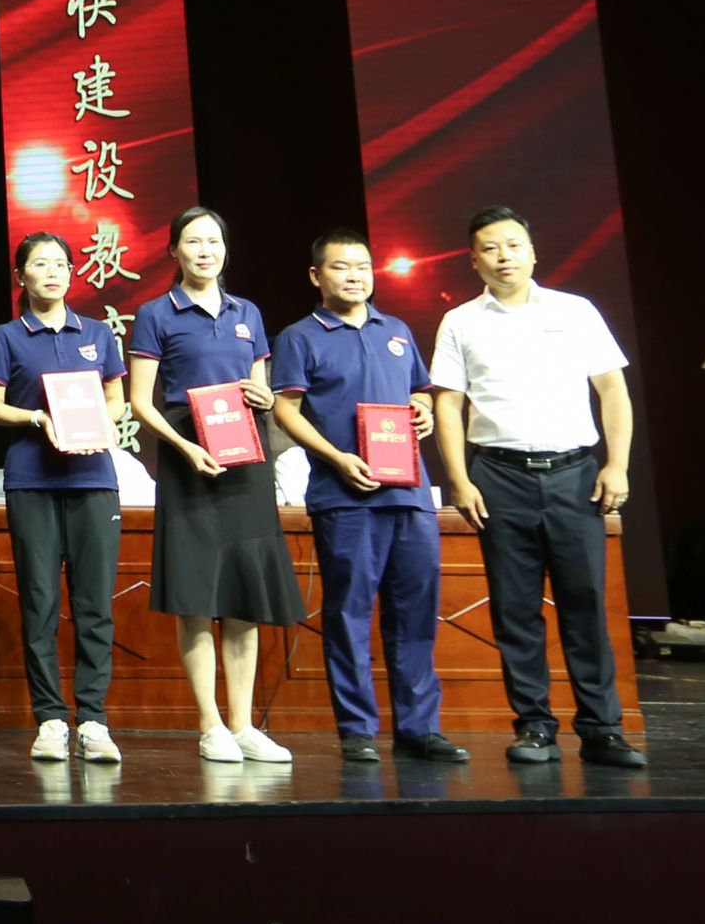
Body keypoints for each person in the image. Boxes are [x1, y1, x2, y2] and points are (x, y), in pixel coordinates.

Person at [430, 206, 648, 769]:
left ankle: (602, 729)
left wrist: (617, 465)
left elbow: (613, 391)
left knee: (585, 603)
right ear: (473, 260)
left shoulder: (576, 311)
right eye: (490, 248)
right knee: (515, 607)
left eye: (513, 245)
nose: (503, 256)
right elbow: (448, 405)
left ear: (532, 252)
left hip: (576, 474)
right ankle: (534, 726)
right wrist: (459, 479)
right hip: (498, 476)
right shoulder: (460, 322)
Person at [267, 230, 464, 765]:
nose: (355, 275)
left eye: (362, 266)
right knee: (349, 613)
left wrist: (423, 412)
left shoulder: (396, 330)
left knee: (416, 612)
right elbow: (285, 410)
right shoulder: (300, 336)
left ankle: (419, 727)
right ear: (317, 276)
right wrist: (336, 458)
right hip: (345, 495)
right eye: (341, 266)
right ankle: (357, 728)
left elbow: (419, 393)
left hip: (410, 493)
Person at [125, 207, 306, 766]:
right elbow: (140, 401)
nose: (205, 250)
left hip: (245, 458)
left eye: (214, 241)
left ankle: (243, 724)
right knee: (197, 596)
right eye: (193, 241)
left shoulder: (246, 312)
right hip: (189, 458)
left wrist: (265, 398)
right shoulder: (156, 313)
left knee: (244, 594)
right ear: (173, 251)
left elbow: (261, 388)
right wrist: (183, 448)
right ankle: (210, 726)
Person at [0, 232, 129, 766]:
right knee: (40, 602)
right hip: (32, 480)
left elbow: (116, 396)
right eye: (40, 264)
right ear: (21, 276)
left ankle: (94, 720)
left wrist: (95, 419)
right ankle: (49, 720)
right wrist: (38, 417)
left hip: (93, 479)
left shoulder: (97, 333)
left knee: (94, 604)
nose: (53, 272)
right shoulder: (7, 336)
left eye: (61, 264)